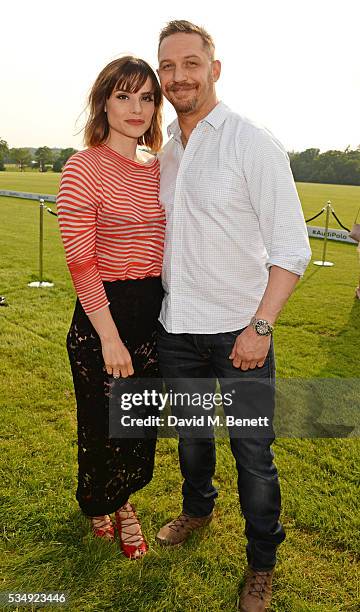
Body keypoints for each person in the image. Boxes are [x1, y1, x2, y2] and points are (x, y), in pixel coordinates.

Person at [155, 20, 312, 611]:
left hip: (240, 332)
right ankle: (197, 509)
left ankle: (261, 562)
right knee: (193, 441)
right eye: (168, 67)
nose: (178, 77)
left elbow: (292, 249)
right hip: (178, 331)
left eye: (190, 63)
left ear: (214, 69)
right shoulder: (168, 151)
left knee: (253, 453)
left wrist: (260, 327)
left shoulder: (251, 141)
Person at [57, 56, 165, 559]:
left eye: (146, 97)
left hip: (152, 315)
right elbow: (81, 261)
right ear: (103, 101)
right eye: (123, 95)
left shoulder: (158, 166)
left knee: (137, 425)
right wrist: (109, 336)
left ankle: (123, 500)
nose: (135, 107)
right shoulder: (83, 166)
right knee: (101, 424)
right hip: (105, 315)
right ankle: (106, 505)